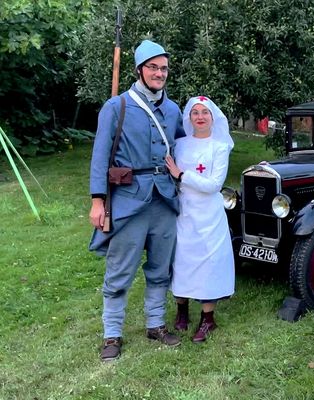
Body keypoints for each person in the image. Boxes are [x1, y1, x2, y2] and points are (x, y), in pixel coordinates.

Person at [88, 40, 185, 361]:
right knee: (120, 270)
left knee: (160, 268)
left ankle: (155, 325)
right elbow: (100, 156)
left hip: (165, 200)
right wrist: (98, 201)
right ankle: (111, 334)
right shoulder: (117, 106)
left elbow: (185, 149)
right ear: (139, 70)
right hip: (129, 200)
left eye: (164, 68)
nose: (160, 73)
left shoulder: (172, 110)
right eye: (153, 67)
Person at [165, 95, 235, 343]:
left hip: (209, 215)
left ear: (212, 117)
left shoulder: (220, 147)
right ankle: (181, 310)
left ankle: (208, 319)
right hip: (184, 212)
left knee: (208, 263)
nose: (200, 117)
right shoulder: (180, 144)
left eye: (205, 112)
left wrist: (182, 174)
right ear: (189, 117)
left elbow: (214, 185)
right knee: (182, 260)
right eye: (195, 112)